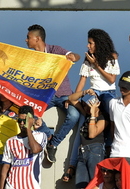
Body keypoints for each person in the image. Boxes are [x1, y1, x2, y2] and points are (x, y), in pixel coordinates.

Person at [25, 24, 81, 163]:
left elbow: (75, 56)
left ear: (37, 39)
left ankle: (53, 144)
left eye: (28, 37)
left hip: (63, 95)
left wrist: (72, 57)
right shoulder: (29, 57)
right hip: (44, 96)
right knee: (31, 115)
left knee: (74, 115)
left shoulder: (56, 50)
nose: (26, 40)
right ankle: (49, 136)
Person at [0, 106, 48, 189]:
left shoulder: (40, 136)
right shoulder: (10, 141)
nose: (22, 123)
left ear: (31, 120)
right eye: (20, 120)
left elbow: (35, 149)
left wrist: (29, 130)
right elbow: (5, 169)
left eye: (25, 120)